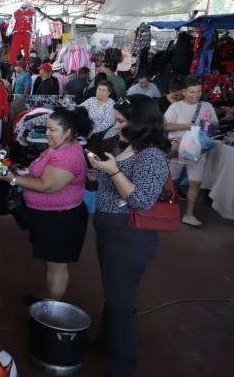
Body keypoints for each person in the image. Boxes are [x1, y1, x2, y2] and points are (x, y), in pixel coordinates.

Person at [87, 94, 170, 377]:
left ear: (140, 123)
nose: (116, 125)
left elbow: (142, 200)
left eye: (121, 121)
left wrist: (112, 172)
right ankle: (104, 343)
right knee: (113, 294)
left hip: (129, 238)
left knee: (122, 303)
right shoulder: (127, 146)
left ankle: (122, 365)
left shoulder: (152, 157)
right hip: (110, 233)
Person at [0, 107, 92, 301]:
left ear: (69, 132)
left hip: (62, 220)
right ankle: (48, 300)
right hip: (49, 216)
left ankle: (52, 310)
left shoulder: (68, 156)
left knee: (56, 266)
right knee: (50, 263)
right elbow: (41, 170)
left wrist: (12, 179)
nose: (47, 133)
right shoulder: (57, 147)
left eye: (52, 130)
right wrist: (25, 172)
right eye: (47, 128)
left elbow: (47, 185)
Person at [164, 77, 219, 226]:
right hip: (176, 150)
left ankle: (189, 214)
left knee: (195, 183)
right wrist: (187, 126)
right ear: (184, 92)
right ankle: (169, 210)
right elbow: (165, 126)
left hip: (198, 151)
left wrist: (207, 124)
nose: (195, 95)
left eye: (198, 91)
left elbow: (212, 129)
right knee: (171, 183)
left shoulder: (207, 106)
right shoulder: (176, 107)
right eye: (191, 92)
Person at [80, 80, 119, 158]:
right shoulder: (91, 100)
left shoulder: (111, 104)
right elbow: (80, 108)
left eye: (103, 90)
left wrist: (93, 131)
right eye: (99, 89)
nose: (100, 92)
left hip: (105, 136)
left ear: (108, 93)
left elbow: (108, 122)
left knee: (98, 156)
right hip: (91, 132)